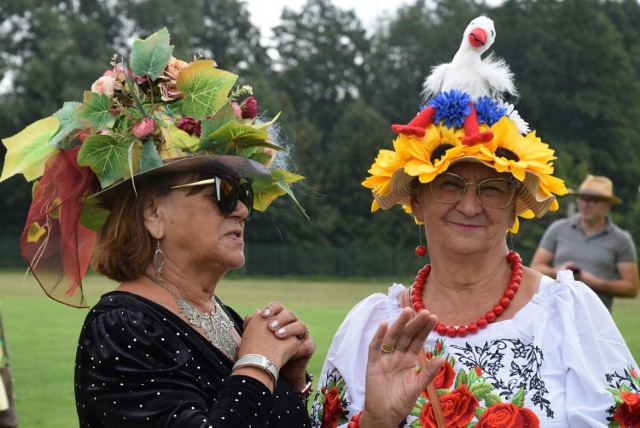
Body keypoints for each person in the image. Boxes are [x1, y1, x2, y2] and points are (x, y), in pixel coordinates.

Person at [0, 28, 445, 427]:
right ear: (152, 213)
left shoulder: (227, 321)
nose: (242, 211)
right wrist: (259, 362)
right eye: (221, 189)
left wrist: (352, 410)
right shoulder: (121, 327)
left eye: (244, 192)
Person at [311, 16, 640, 427]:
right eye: (448, 184)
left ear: (514, 204)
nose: (470, 206)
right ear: (416, 200)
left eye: (491, 188)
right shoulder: (371, 328)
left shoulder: (569, 315)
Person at [530, 174, 639, 311]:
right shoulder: (558, 229)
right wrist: (561, 272)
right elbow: (536, 267)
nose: (585, 205)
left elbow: (631, 288)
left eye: (593, 200)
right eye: (582, 198)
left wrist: (594, 282)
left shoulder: (621, 239)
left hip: (596, 320)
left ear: (607, 205)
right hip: (554, 313)